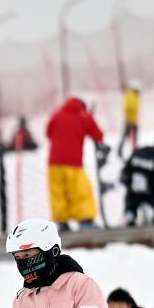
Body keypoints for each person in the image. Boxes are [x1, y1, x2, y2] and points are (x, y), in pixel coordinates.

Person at [45, 97, 105, 231]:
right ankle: (86, 220)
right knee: (81, 191)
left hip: (54, 163)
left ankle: (62, 222)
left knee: (58, 193)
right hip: (73, 162)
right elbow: (98, 135)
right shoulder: (84, 116)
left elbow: (48, 133)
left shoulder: (57, 114)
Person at [119, 134, 154, 226]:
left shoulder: (139, 151)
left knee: (131, 205)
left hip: (133, 194)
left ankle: (130, 213)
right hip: (151, 194)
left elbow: (124, 175)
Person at [118, 79, 141, 159]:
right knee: (126, 136)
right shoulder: (130, 95)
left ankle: (134, 151)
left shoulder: (135, 96)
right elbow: (128, 108)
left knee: (133, 138)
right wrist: (129, 118)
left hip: (134, 120)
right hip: (130, 121)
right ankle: (119, 151)